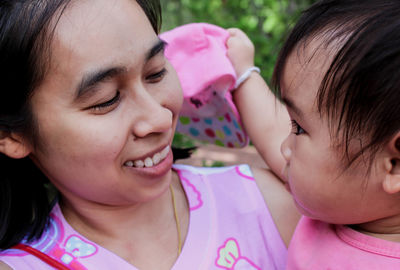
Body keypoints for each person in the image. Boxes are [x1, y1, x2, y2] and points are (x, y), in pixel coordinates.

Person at [0, 0, 299, 269]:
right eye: (105, 100)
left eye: (156, 72)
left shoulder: (268, 204)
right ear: (11, 134)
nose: (160, 118)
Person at [233, 0, 400, 268]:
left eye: (299, 128)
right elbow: (271, 131)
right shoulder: (341, 195)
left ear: (394, 166)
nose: (285, 148)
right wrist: (244, 75)